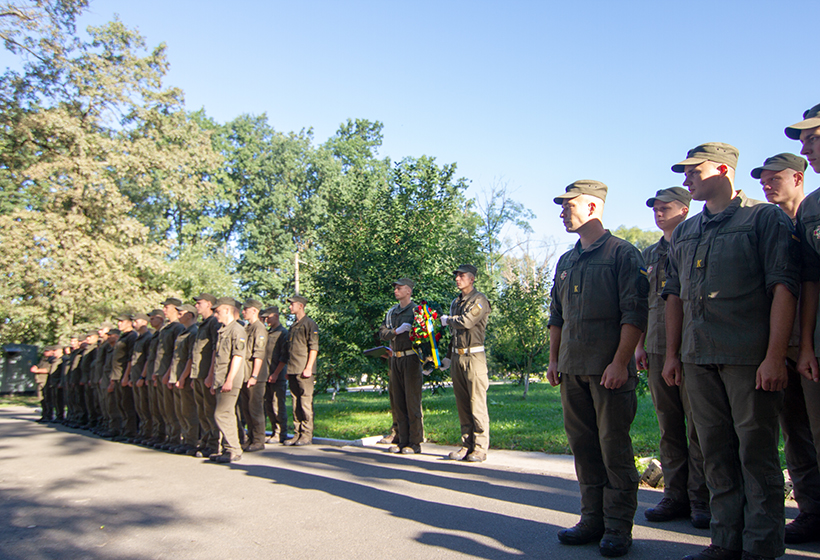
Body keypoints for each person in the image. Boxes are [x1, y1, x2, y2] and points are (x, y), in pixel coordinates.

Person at [662, 143, 799, 560]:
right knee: (714, 453)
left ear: (723, 170)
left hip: (748, 358)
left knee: (755, 454)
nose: (687, 179)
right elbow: (674, 296)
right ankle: (724, 540)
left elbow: (784, 287)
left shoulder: (763, 218)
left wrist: (774, 356)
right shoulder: (685, 231)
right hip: (697, 357)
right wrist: (673, 354)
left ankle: (761, 546)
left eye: (695, 171)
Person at [547, 180, 648, 557]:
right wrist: (554, 359)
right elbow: (556, 315)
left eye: (568, 205)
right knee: (584, 448)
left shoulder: (623, 253)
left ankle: (618, 526)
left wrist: (621, 362)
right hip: (572, 369)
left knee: (613, 448)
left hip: (609, 372)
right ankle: (592, 519)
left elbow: (634, 313)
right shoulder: (566, 260)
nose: (562, 213)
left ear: (592, 207)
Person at [634, 187, 710, 529]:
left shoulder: (695, 243)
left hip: (692, 346)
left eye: (666, 207)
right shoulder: (649, 253)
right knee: (669, 425)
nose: (659, 212)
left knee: (699, 425)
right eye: (655, 208)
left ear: (685, 210)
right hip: (655, 345)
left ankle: (702, 498)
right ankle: (675, 494)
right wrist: (639, 345)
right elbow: (642, 303)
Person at [787, 103, 820, 545]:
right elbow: (811, 280)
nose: (807, 147)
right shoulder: (812, 207)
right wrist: (807, 344)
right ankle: (814, 513)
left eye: (814, 137)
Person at [440, 264, 491, 463]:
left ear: (472, 279)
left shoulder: (479, 300)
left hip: (474, 356)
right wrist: (447, 357)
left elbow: (466, 322)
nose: (457, 279)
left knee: (476, 403)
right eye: (456, 276)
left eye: (461, 276)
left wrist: (447, 320)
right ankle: (466, 444)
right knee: (462, 403)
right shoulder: (456, 302)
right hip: (457, 356)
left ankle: (480, 447)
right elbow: (455, 334)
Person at [378, 278, 424, 454]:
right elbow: (382, 333)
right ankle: (402, 440)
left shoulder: (417, 311)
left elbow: (426, 336)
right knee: (398, 402)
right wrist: (396, 331)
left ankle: (415, 442)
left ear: (409, 291)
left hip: (411, 358)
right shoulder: (392, 312)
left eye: (399, 288)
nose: (396, 291)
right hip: (395, 358)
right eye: (395, 288)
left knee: (412, 402)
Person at [273, 295, 318, 446]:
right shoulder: (293, 326)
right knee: (295, 403)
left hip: (304, 369)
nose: (290, 307)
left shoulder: (309, 324)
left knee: (305, 402)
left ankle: (306, 434)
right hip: (293, 369)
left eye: (292, 304)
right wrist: (288, 369)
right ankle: (297, 433)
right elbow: (289, 350)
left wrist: (309, 367)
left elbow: (314, 347)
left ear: (300, 306)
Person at [206, 297, 247, 463]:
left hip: (230, 379)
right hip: (221, 378)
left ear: (228, 310)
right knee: (227, 414)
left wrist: (229, 379)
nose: (216, 315)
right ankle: (227, 449)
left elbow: (238, 356)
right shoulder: (223, 330)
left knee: (222, 413)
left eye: (218, 311)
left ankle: (234, 449)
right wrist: (214, 380)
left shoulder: (237, 330)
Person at [166, 303, 199, 454]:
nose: (178, 315)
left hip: (184, 377)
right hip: (177, 376)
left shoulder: (193, 332)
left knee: (188, 411)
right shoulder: (183, 332)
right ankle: (184, 439)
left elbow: (191, 358)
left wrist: (183, 377)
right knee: (180, 411)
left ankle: (191, 441)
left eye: (181, 313)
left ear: (189, 315)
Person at [153, 297, 185, 450]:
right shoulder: (166, 328)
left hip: (168, 372)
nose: (164, 310)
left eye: (167, 307)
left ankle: (176, 437)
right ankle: (168, 436)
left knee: (173, 408)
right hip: (160, 371)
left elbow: (175, 354)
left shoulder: (178, 328)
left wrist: (168, 372)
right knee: (164, 407)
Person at [191, 293, 220, 457]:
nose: (196, 306)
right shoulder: (202, 325)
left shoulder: (213, 322)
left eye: (199, 303)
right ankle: (205, 441)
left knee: (210, 410)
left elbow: (215, 350)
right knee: (201, 411)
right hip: (198, 374)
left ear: (209, 304)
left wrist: (211, 374)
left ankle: (214, 444)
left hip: (206, 374)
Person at [239, 298, 268, 452]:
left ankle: (258, 440)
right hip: (245, 374)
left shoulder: (259, 328)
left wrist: (254, 375)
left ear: (254, 311)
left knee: (255, 408)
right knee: (247, 409)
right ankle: (250, 438)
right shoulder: (247, 328)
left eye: (246, 309)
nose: (243, 311)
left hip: (254, 376)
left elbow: (259, 353)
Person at [261, 306, 289, 444]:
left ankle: (281, 433)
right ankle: (273, 431)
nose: (266, 319)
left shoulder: (283, 333)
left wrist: (276, 373)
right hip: (266, 374)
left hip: (277, 375)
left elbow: (284, 356)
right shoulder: (267, 333)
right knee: (268, 405)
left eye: (268, 317)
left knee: (277, 405)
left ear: (276, 316)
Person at [128, 313, 153, 444]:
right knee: (139, 407)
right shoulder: (139, 338)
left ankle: (148, 432)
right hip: (136, 376)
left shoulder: (148, 338)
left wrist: (142, 376)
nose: (134, 324)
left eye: (136, 321)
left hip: (141, 377)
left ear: (144, 322)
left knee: (145, 406)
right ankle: (143, 431)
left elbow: (148, 359)